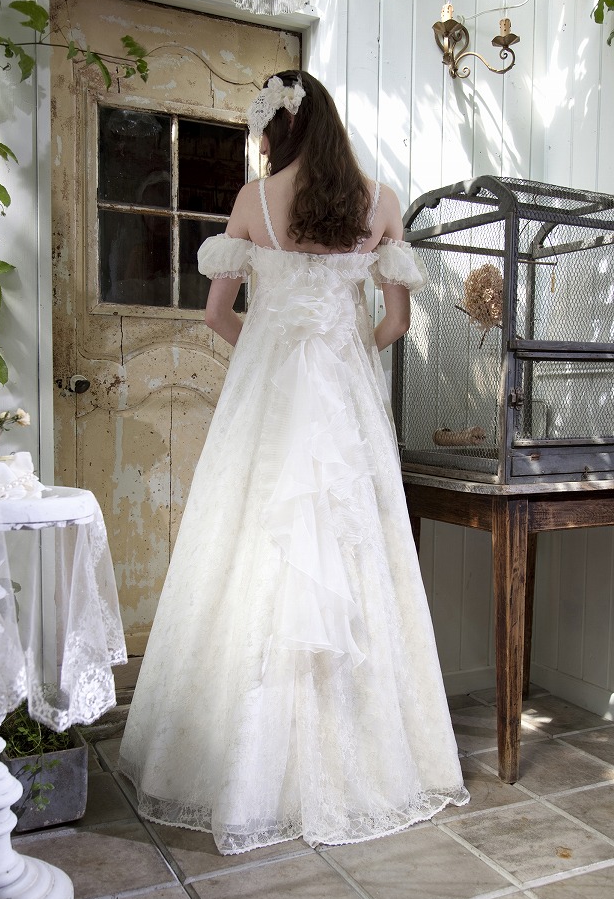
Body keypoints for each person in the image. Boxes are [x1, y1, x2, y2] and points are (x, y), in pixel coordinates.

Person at [119, 70, 469, 855]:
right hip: (345, 403)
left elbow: (216, 314)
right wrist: (342, 349)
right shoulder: (381, 202)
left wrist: (272, 350)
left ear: (277, 130)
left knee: (253, 547)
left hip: (269, 402)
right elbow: (395, 323)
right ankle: (369, 766)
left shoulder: (253, 201)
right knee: (355, 549)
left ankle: (244, 772)